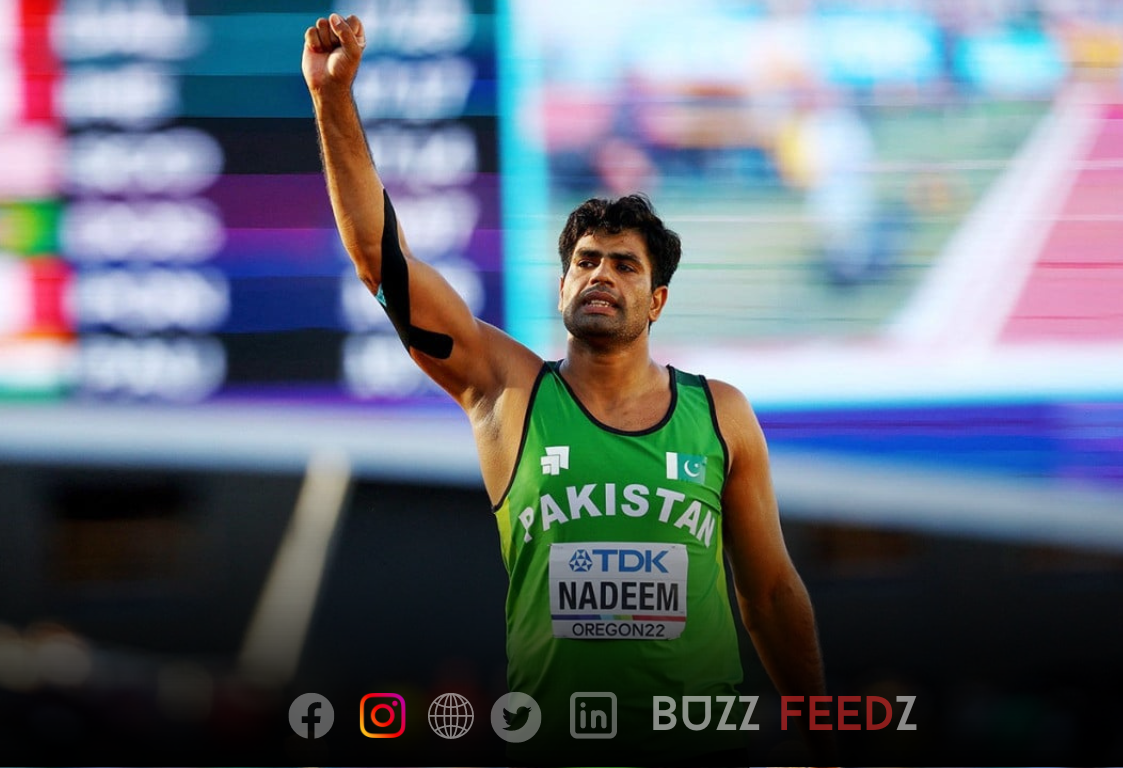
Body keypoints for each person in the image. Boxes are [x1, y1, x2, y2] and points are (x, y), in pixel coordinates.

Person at [303, 13, 830, 765]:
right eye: (585, 262)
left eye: (624, 265)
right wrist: (331, 99)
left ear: (657, 301)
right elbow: (380, 262)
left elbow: (771, 595)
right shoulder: (506, 391)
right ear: (561, 288)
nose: (600, 275)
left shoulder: (721, 415)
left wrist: (824, 739)